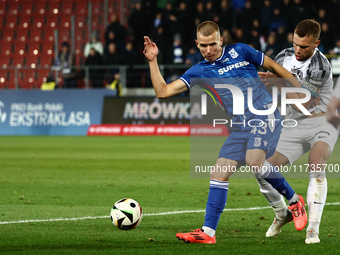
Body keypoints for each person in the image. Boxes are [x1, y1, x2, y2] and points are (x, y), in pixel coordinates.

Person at [143, 21, 308, 244]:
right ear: (196, 44)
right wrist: (153, 60)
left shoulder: (240, 50)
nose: (208, 50)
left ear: (221, 40)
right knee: (218, 173)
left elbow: (273, 66)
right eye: (203, 46)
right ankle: (208, 233)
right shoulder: (199, 70)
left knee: (254, 160)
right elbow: (162, 92)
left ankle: (295, 201)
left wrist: (295, 86)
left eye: (212, 44)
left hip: (265, 115)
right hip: (241, 127)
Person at [254, 19, 338, 244]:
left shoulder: (321, 65)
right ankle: (283, 213)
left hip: (323, 122)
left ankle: (313, 228)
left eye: (305, 47)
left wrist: (278, 84)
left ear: (316, 43)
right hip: (294, 123)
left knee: (316, 164)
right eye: (296, 44)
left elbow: (307, 102)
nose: (298, 50)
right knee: (261, 169)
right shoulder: (283, 57)